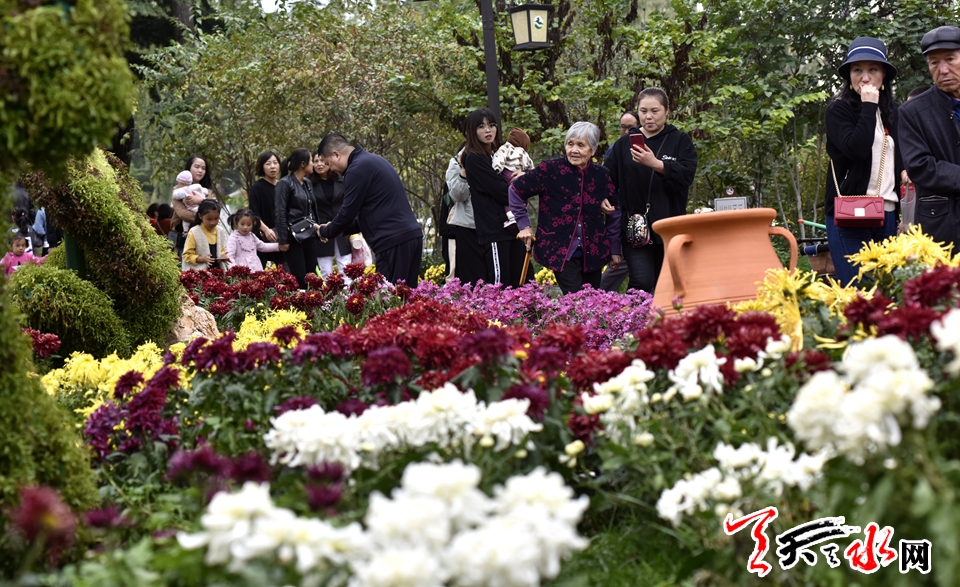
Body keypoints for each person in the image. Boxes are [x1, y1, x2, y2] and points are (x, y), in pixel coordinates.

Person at [823, 37, 903, 286]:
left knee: (886, 292)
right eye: (857, 70)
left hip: (887, 214)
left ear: (884, 76)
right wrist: (868, 106)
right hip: (850, 214)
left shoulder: (893, 112)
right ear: (849, 76)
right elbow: (856, 149)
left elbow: (901, 163)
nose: (865, 77)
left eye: (873, 69)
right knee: (858, 292)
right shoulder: (839, 111)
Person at [510, 122, 622, 294]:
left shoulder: (602, 175)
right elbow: (515, 190)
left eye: (581, 145)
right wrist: (524, 226)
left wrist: (614, 249)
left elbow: (615, 211)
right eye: (570, 144)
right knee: (576, 300)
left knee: (592, 301)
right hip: (560, 250)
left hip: (593, 252)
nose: (574, 150)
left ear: (592, 150)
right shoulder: (550, 169)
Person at [605, 88, 698, 294]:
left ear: (667, 111)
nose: (648, 116)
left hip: (669, 226)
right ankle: (635, 324)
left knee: (669, 285)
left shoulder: (680, 141)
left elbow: (686, 176)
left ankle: (666, 324)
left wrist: (657, 164)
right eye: (643, 111)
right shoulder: (623, 145)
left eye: (655, 110)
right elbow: (607, 179)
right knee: (641, 282)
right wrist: (603, 197)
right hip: (636, 227)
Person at [317, 133, 423, 286]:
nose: (331, 169)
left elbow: (347, 212)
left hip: (392, 241)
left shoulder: (356, 170)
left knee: (391, 301)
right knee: (406, 300)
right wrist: (341, 230)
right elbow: (368, 213)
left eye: (329, 163)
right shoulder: (372, 160)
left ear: (336, 155)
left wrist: (325, 231)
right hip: (408, 237)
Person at [899, 26, 960, 252]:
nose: (943, 70)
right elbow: (919, 166)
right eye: (934, 63)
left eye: (950, 59)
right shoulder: (913, 111)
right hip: (940, 225)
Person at [461, 109, 529, 288]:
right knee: (499, 286)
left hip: (513, 227)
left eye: (491, 125)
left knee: (521, 283)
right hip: (494, 230)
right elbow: (500, 190)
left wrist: (524, 178)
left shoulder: (497, 155)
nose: (488, 130)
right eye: (481, 126)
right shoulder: (473, 158)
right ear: (472, 131)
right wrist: (523, 187)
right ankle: (496, 317)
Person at [275, 148, 322, 288]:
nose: (313, 164)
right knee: (299, 277)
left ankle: (314, 304)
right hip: (293, 237)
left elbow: (312, 209)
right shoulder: (285, 183)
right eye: (312, 161)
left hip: (309, 234)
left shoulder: (307, 183)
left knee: (312, 275)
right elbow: (280, 211)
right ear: (303, 164)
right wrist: (283, 239)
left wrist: (319, 231)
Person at [445, 141, 489, 285]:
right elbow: (458, 196)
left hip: (491, 225)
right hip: (467, 226)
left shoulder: (496, 157)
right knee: (472, 279)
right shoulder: (455, 163)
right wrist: (464, 171)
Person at [309, 151, 352, 280]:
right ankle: (329, 298)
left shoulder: (342, 180)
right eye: (316, 161)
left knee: (346, 266)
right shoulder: (310, 184)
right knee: (325, 270)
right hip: (321, 229)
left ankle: (348, 297)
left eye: (322, 161)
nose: (319, 164)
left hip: (341, 226)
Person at [171, 156, 216, 254]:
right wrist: (207, 218)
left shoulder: (208, 192)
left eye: (203, 168)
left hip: (206, 238)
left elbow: (216, 211)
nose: (200, 170)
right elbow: (183, 214)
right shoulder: (178, 191)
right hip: (184, 239)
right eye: (197, 167)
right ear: (189, 168)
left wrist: (201, 201)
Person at [492, 128, 535, 228]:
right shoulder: (524, 153)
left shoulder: (505, 147)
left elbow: (498, 158)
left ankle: (511, 216)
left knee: (509, 194)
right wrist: (527, 174)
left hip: (508, 173)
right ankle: (520, 214)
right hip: (519, 174)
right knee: (520, 195)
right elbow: (531, 167)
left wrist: (497, 169)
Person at [248, 151, 284, 269]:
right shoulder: (257, 187)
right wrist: (266, 230)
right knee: (260, 271)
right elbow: (254, 213)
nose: (272, 166)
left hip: (282, 236)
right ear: (262, 167)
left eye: (275, 163)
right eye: (268, 163)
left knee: (285, 271)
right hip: (262, 236)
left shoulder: (284, 186)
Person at [182, 199, 231, 271]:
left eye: (216, 218)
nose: (213, 222)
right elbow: (186, 255)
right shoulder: (194, 232)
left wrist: (223, 256)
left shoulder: (220, 231)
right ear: (200, 216)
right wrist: (202, 259)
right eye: (209, 219)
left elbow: (222, 250)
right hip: (201, 274)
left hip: (218, 273)